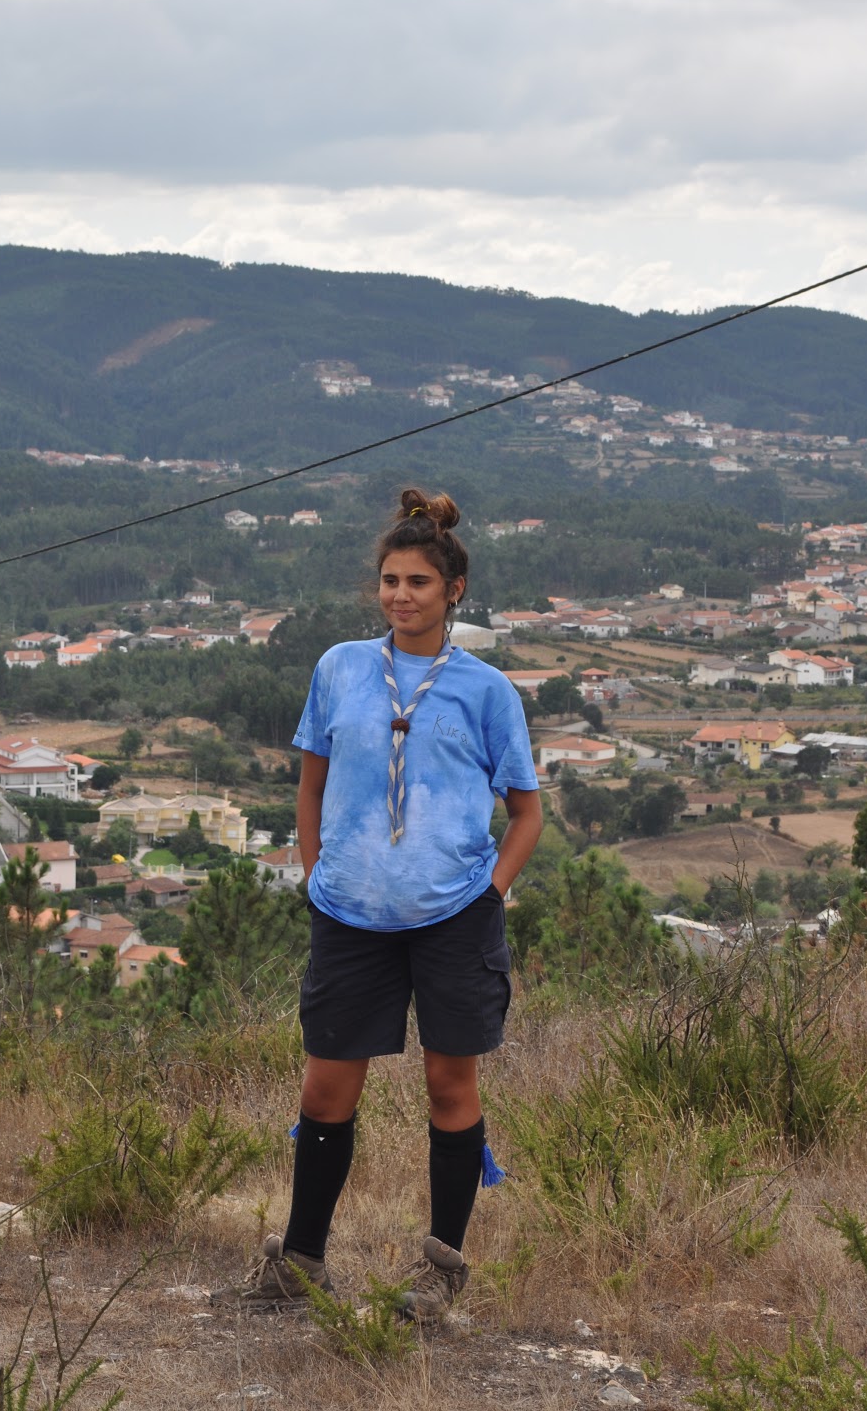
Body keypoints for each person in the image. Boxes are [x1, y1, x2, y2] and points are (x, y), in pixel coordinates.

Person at [229, 486, 542, 1321]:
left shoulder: (485, 690)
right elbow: (312, 783)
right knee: (326, 1091)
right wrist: (315, 874)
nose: (400, 595)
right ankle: (300, 1264)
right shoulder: (339, 667)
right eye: (389, 581)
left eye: (418, 583)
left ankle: (438, 1272)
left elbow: (525, 812)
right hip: (348, 914)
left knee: (449, 1086)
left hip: (452, 917)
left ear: (453, 592)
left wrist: (490, 894)